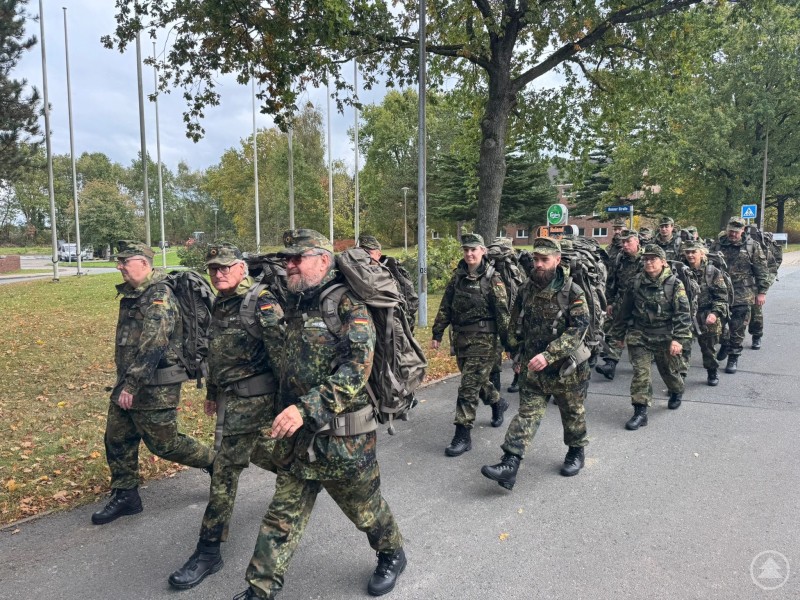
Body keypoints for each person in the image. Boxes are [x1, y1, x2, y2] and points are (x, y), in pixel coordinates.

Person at [237, 229, 405, 600]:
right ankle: (259, 589)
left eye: (298, 258)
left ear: (323, 260)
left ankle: (392, 553)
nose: (289, 265)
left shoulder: (347, 304)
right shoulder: (298, 303)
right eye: (287, 259)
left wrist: (306, 408)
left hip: (345, 442)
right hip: (300, 440)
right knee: (281, 517)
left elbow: (356, 369)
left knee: (366, 511)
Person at [168, 243, 284, 589]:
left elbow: (281, 358)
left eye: (225, 267)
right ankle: (303, 473)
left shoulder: (261, 303)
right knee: (260, 454)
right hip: (232, 402)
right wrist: (213, 392)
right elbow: (218, 355)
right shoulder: (222, 303)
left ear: (241, 268)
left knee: (223, 470)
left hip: (257, 403)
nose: (218, 273)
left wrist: (286, 406)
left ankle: (208, 552)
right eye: (213, 268)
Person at [92, 241, 215, 525]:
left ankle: (214, 462)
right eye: (119, 262)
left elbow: (154, 343)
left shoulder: (159, 295)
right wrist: (127, 383)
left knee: (165, 444)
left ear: (144, 264)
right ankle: (126, 495)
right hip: (129, 381)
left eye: (125, 262)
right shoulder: (136, 294)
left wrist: (132, 385)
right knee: (117, 437)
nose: (119, 267)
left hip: (155, 386)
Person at [481, 237, 591, 491]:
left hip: (567, 369)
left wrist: (550, 354)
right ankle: (510, 463)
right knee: (526, 415)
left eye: (544, 259)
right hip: (534, 367)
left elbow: (578, 330)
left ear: (557, 260)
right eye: (536, 259)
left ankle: (576, 452)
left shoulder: (572, 292)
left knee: (572, 414)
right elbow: (516, 323)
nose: (538, 264)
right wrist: (515, 351)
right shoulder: (526, 289)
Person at [431, 233, 510, 457]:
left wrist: (509, 344)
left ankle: (462, 435)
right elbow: (446, 305)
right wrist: (437, 332)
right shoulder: (458, 277)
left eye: (474, 249)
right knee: (477, 381)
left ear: (483, 251)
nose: (469, 254)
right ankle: (497, 403)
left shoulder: (493, 278)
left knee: (467, 387)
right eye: (466, 250)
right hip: (461, 340)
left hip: (484, 341)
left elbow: (503, 315)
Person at [609, 244, 692, 430]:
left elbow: (683, 314)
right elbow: (625, 310)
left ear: (663, 262)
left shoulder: (674, 284)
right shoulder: (636, 282)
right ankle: (640, 412)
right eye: (646, 259)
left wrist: (678, 339)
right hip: (640, 335)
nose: (648, 262)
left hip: (665, 335)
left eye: (653, 259)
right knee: (641, 374)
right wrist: (618, 335)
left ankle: (677, 390)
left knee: (669, 373)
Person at [712, 217, 769, 373]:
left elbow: (762, 271)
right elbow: (708, 266)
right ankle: (725, 342)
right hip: (720, 292)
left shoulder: (752, 246)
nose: (733, 234)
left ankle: (733, 357)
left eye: (736, 232)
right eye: (731, 230)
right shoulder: (718, 244)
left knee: (737, 327)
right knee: (717, 325)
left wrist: (762, 292)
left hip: (742, 293)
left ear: (743, 231)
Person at [595, 229, 642, 380]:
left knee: (638, 338)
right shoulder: (620, 258)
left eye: (629, 241)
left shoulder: (647, 259)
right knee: (616, 332)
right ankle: (610, 364)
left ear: (637, 242)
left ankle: (642, 365)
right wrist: (609, 302)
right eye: (623, 242)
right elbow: (611, 282)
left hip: (641, 303)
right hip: (621, 302)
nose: (625, 245)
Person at [681, 241, 729, 386]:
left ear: (702, 253)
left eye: (693, 252)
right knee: (682, 349)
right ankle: (678, 379)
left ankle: (712, 371)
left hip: (706, 314)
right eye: (687, 252)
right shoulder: (680, 271)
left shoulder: (712, 272)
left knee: (708, 348)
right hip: (686, 316)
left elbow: (721, 296)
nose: (690, 255)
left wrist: (715, 313)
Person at [357, 234, 418, 329]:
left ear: (379, 255)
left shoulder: (391, 272)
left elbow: (410, 301)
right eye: (361, 252)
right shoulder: (354, 272)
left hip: (389, 325)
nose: (365, 256)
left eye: (369, 253)